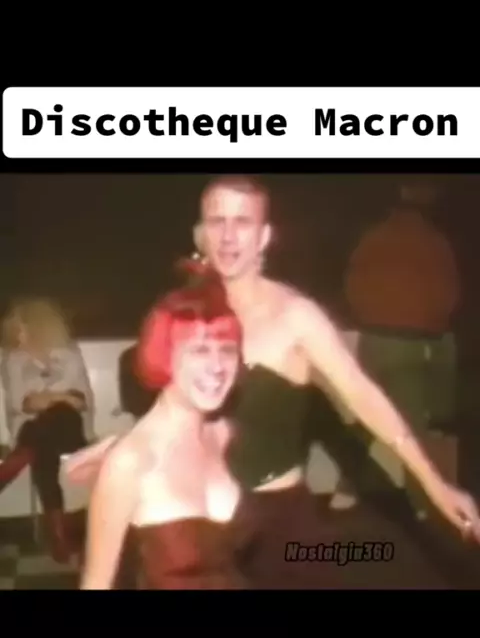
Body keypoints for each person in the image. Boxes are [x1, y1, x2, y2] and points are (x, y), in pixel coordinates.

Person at [68, 176, 480, 588]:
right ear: (200, 233)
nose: (228, 235)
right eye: (217, 221)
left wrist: (434, 484)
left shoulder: (295, 315)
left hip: (279, 528)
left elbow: (364, 396)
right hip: (212, 527)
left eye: (242, 222)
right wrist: (126, 450)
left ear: (264, 237)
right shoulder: (191, 312)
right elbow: (173, 406)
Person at [79, 263, 248, 590]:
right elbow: (95, 584)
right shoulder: (131, 461)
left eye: (227, 350)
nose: (217, 366)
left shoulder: (227, 436)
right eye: (199, 350)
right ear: (165, 355)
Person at [340, 179, 461, 515]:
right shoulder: (436, 243)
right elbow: (449, 296)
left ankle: (349, 490)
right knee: (412, 428)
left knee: (367, 419)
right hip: (412, 343)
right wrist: (432, 325)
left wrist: (367, 314)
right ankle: (424, 502)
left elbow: (352, 281)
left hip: (375, 338)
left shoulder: (374, 237)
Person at [0, 297, 94, 562]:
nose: (18, 334)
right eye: (15, 329)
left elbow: (80, 401)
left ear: (40, 326)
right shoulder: (12, 359)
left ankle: (15, 462)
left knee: (57, 417)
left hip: (71, 430)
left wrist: (48, 400)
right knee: (43, 447)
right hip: (32, 429)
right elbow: (23, 403)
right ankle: (60, 540)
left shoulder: (69, 353)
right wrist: (61, 397)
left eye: (23, 327)